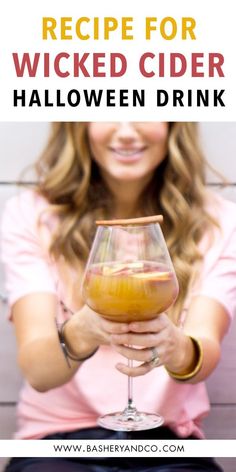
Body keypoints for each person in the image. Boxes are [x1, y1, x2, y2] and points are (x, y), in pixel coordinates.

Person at [1, 122, 236, 472]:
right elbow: (38, 370)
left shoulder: (219, 221)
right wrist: (83, 330)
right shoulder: (30, 214)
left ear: (174, 124)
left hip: (168, 444)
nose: (127, 132)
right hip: (56, 445)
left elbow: (204, 347)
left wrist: (176, 346)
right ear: (79, 126)